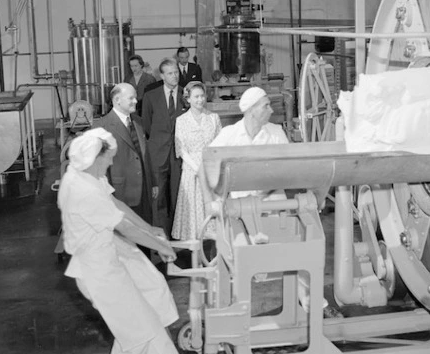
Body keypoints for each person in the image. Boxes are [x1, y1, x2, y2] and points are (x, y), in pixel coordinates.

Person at [57, 128, 187, 354]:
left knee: (147, 309)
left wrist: (151, 231)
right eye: (108, 158)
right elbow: (124, 228)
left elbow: (117, 205)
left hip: (106, 255)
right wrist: (162, 247)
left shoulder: (85, 175)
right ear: (95, 159)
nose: (112, 162)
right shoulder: (83, 190)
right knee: (138, 329)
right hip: (97, 270)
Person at [209, 87, 343, 319]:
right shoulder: (230, 135)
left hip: (275, 207)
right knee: (238, 261)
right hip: (240, 212)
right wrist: (216, 199)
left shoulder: (275, 133)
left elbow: (288, 168)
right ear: (251, 111)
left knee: (296, 253)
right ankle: (231, 312)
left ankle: (314, 304)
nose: (271, 110)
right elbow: (208, 161)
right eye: (266, 106)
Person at [93, 83, 157, 238]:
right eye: (131, 98)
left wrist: (153, 182)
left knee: (144, 236)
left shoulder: (138, 121)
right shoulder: (102, 126)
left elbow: (146, 155)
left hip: (144, 192)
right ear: (117, 100)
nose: (136, 101)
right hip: (120, 192)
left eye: (135, 97)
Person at [141, 58, 187, 237]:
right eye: (170, 73)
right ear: (162, 75)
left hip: (179, 154)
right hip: (158, 153)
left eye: (176, 72)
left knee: (178, 194)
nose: (174, 76)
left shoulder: (186, 95)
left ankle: (178, 233)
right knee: (158, 195)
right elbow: (146, 124)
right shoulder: (150, 96)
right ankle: (160, 235)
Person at [172, 81, 221, 241]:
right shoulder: (181, 120)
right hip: (191, 170)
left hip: (210, 169)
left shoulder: (213, 118)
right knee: (193, 211)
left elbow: (219, 144)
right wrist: (196, 167)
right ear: (188, 99)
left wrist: (208, 166)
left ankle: (213, 244)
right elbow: (181, 149)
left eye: (202, 96)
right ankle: (194, 250)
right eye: (196, 97)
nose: (200, 100)